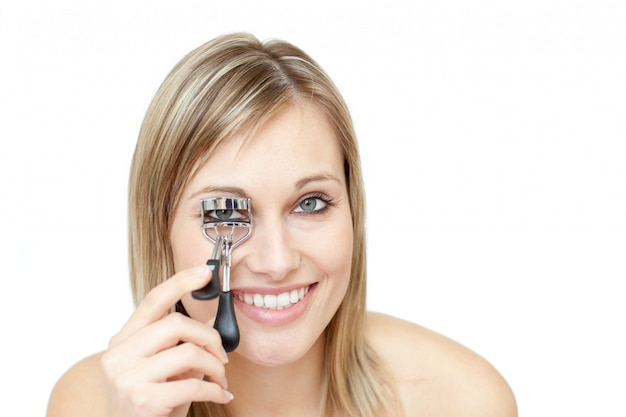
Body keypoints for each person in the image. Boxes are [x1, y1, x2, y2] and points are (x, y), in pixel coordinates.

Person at [46, 32, 517, 417]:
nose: (276, 262)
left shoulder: (461, 400)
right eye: (225, 212)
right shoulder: (94, 404)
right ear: (159, 230)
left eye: (310, 203)